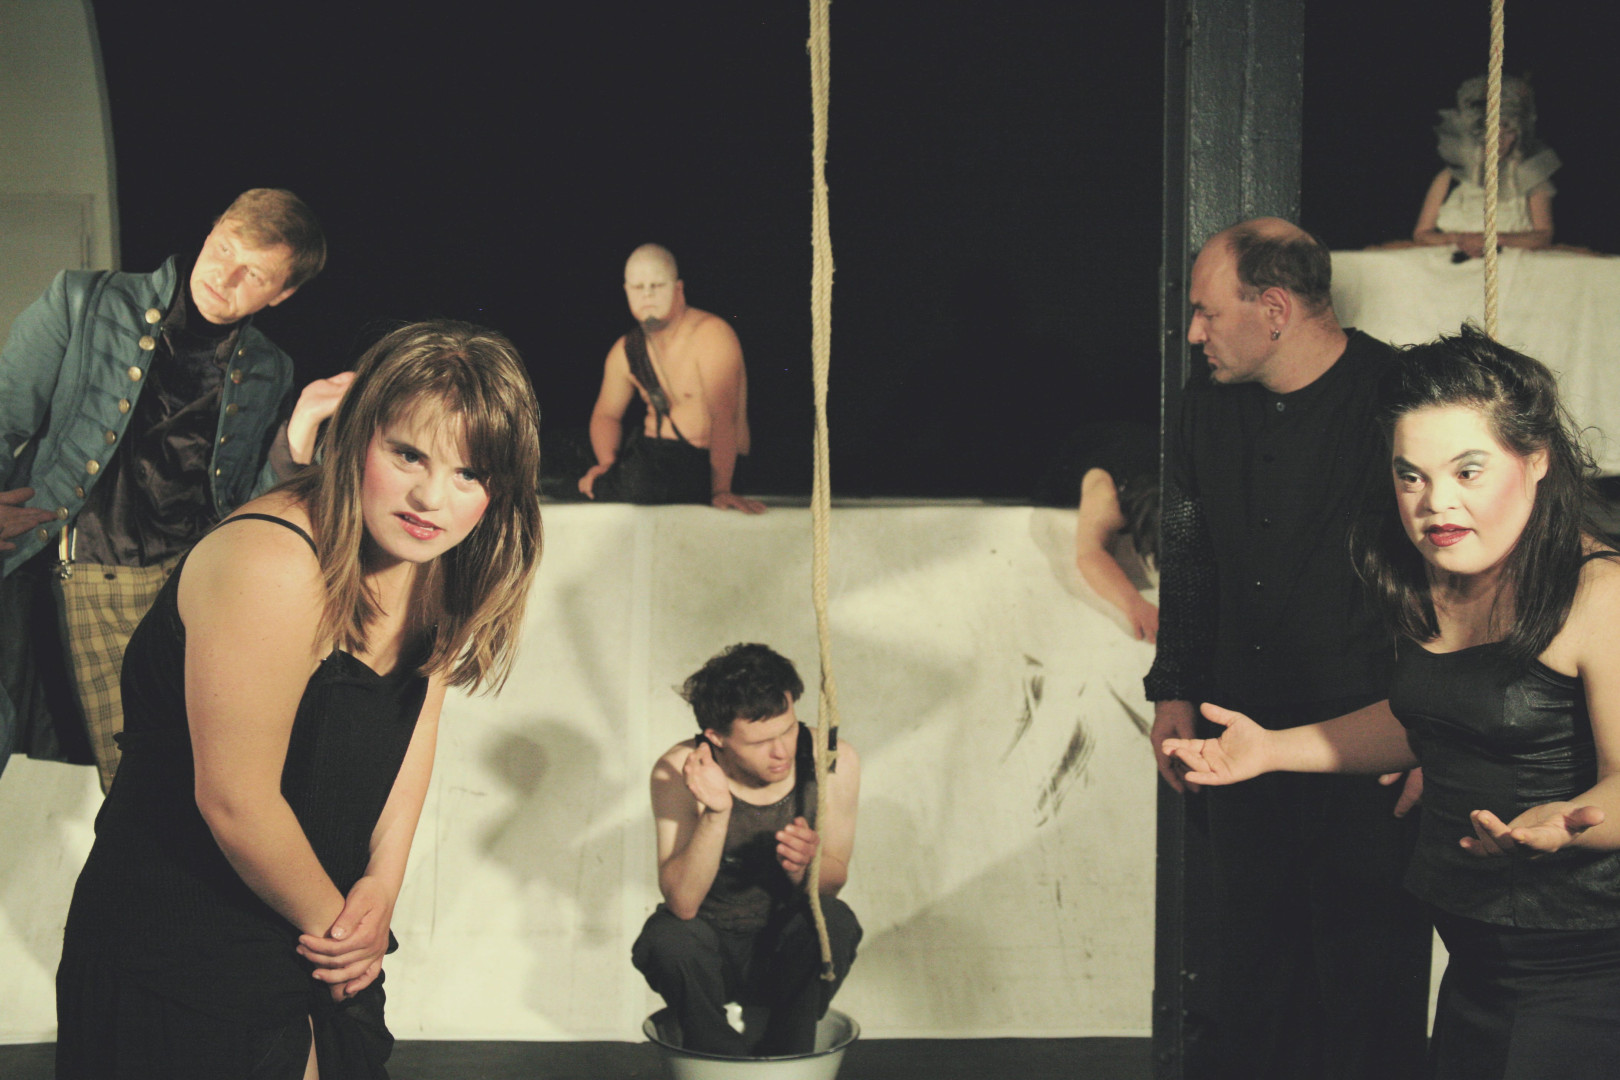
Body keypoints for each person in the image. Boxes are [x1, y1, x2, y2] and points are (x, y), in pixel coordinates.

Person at [54, 320, 543, 1079]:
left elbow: (412, 733)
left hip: (311, 929)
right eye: (407, 454)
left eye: (468, 473)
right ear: (357, 435)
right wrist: (344, 936)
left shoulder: (437, 562)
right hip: (180, 941)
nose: (430, 497)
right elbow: (235, 800)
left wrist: (381, 886)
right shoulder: (274, 561)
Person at [1165, 325, 1620, 1080]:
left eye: (1468, 471)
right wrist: (1273, 748)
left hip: (1582, 972)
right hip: (1477, 958)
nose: (1436, 503)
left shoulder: (1600, 593)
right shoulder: (1436, 574)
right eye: (1412, 476)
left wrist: (1568, 824)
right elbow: (1426, 719)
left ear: (1536, 458)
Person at [1145, 218, 1431, 1079]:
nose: (1194, 332)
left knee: (1368, 994)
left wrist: (1436, 735)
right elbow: (1189, 557)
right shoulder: (1203, 407)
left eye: (1206, 311)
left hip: (1369, 751)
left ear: (1273, 309)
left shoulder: (1400, 396)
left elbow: (1448, 574)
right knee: (1255, 990)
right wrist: (1173, 691)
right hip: (1239, 740)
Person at [0, 188, 347, 791]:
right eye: (224, 248)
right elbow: (6, 409)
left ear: (281, 294)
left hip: (172, 595)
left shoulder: (269, 367)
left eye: (254, 273)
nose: (224, 275)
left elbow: (244, 508)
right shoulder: (86, 299)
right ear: (211, 231)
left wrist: (302, 425)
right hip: (60, 568)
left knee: (166, 786)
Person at [633, 644, 860, 1057]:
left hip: (785, 956)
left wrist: (804, 868)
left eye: (788, 730)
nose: (782, 751)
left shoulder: (831, 758)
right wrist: (716, 813)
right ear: (716, 737)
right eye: (760, 741)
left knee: (835, 921)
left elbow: (833, 883)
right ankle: (719, 1059)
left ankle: (788, 1057)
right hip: (713, 956)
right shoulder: (680, 769)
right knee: (667, 938)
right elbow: (682, 903)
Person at [578, 244, 765, 513]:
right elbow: (606, 415)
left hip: (707, 465)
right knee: (558, 452)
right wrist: (607, 464)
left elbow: (725, 416)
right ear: (627, 291)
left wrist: (721, 489)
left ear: (678, 289)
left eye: (656, 285)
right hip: (650, 458)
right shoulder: (627, 349)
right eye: (638, 287)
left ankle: (610, 482)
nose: (647, 294)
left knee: (640, 480)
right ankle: (610, 478)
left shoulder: (710, 334)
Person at [1413, 76, 1559, 258]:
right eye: (1491, 132)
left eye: (1507, 132)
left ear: (1518, 135)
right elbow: (1422, 233)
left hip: (1509, 260)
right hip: (1450, 260)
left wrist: (1496, 239)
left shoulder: (1531, 175)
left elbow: (1544, 235)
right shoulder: (1449, 176)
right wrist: (1460, 239)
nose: (1499, 140)